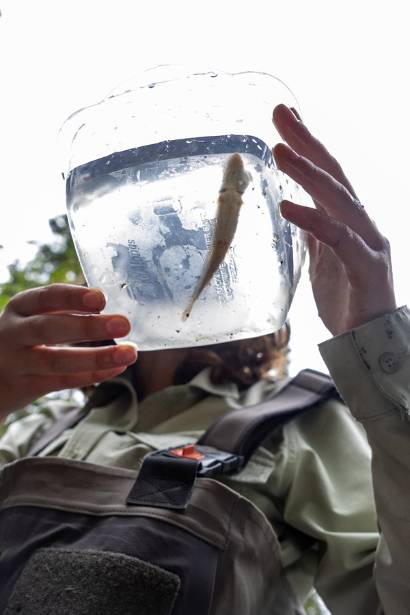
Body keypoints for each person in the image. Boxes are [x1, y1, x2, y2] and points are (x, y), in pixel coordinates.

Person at [0, 103, 406, 614]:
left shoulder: (302, 421)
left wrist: (379, 350)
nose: (164, 256)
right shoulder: (33, 435)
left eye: (183, 243)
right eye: (140, 247)